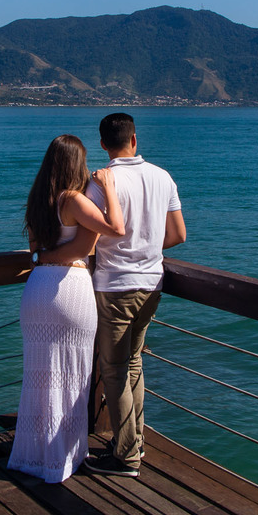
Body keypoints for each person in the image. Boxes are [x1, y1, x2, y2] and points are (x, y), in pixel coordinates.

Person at [8, 134, 125, 484]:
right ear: (77, 163)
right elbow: (115, 229)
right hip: (68, 289)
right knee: (72, 375)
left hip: (37, 289)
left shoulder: (36, 201)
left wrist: (43, 257)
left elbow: (34, 250)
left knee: (40, 376)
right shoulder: (72, 200)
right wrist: (109, 189)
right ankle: (64, 457)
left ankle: (35, 455)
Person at [81, 113, 186, 477]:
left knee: (113, 369)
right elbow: (178, 235)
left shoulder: (101, 183)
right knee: (134, 363)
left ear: (102, 144)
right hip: (152, 283)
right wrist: (146, 248)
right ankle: (133, 441)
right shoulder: (163, 177)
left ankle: (126, 455)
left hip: (115, 286)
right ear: (135, 139)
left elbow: (88, 239)